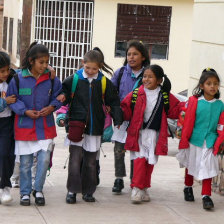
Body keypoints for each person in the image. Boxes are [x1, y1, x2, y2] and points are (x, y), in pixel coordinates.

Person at [60, 48, 123, 204]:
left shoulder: (104, 82)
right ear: (83, 63)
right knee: (75, 159)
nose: (90, 71)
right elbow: (63, 96)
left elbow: (113, 101)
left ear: (99, 67)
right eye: (87, 67)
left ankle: (89, 191)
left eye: (94, 68)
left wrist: (118, 118)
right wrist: (62, 103)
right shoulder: (72, 80)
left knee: (91, 162)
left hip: (95, 128)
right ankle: (72, 191)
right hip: (76, 126)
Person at [7, 42, 62, 206]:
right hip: (25, 127)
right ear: (31, 61)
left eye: (47, 62)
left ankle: (38, 189)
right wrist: (24, 111)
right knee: (25, 163)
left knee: (44, 160)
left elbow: (60, 96)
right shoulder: (18, 79)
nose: (45, 66)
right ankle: (25, 193)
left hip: (45, 127)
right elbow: (12, 100)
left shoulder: (52, 79)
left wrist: (52, 106)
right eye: (41, 62)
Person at [121, 64, 183, 203]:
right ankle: (136, 188)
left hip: (155, 135)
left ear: (160, 80)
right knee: (139, 160)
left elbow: (175, 110)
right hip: (139, 133)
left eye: (150, 77)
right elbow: (125, 109)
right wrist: (116, 112)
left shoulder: (165, 96)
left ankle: (144, 188)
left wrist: (188, 107)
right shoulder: (136, 93)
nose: (146, 79)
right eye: (145, 76)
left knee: (150, 162)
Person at [176, 68, 224, 210]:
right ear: (202, 86)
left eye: (216, 83)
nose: (213, 86)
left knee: (208, 167)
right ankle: (188, 187)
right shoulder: (194, 102)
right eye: (209, 83)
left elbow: (221, 124)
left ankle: (206, 196)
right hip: (194, 139)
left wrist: (220, 140)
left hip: (210, 141)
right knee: (191, 164)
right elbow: (188, 121)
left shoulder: (220, 105)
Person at [111, 40, 150, 193]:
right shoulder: (120, 73)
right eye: (129, 54)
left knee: (136, 149)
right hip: (122, 118)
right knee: (119, 149)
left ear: (143, 57)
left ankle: (136, 179)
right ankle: (119, 178)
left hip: (140, 119)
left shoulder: (148, 74)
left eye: (135, 54)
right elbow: (111, 93)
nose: (131, 57)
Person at [0, 51, 17, 205]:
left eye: (8, 70)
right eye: (2, 71)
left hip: (7, 124)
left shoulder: (13, 80)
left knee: (6, 155)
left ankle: (5, 187)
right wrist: (5, 102)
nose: (6, 73)